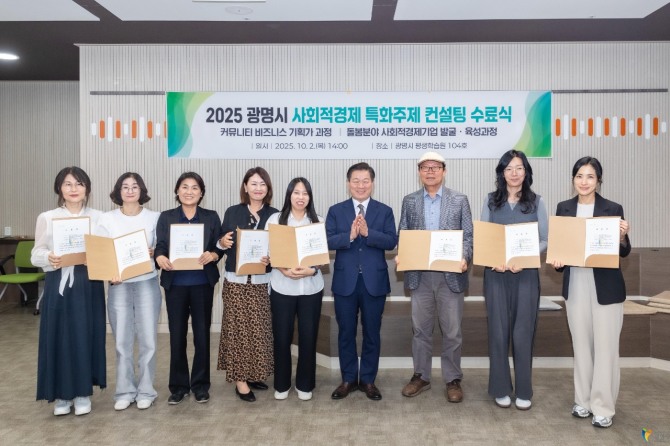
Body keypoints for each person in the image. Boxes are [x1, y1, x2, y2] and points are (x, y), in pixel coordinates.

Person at [550, 157, 630, 428]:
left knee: (606, 348)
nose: (584, 182)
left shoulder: (612, 208)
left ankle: (603, 407)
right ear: (573, 179)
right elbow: (560, 252)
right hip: (576, 283)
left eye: (590, 176)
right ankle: (582, 401)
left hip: (606, 286)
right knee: (581, 346)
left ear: (598, 180)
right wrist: (557, 260)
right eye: (579, 176)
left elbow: (624, 251)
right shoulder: (564, 208)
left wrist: (621, 236)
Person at [396, 152, 473, 403]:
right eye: (425, 167)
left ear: (444, 171)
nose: (430, 171)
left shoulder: (459, 200)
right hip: (419, 276)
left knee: (452, 331)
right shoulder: (409, 201)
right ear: (419, 172)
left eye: (435, 167)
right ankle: (421, 376)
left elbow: (468, 236)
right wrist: (403, 254)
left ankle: (453, 379)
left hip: (450, 275)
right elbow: (403, 234)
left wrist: (464, 257)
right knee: (420, 330)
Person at [32, 166, 106, 416]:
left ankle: (83, 393)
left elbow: (106, 252)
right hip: (58, 282)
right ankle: (62, 396)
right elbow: (36, 253)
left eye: (79, 184)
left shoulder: (99, 217)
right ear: (59, 189)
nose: (74, 189)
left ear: (87, 189)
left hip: (88, 283)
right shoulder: (47, 217)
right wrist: (49, 257)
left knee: (85, 335)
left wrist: (96, 258)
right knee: (59, 336)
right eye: (68, 184)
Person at [481, 149, 548, 411]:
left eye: (519, 168)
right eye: (509, 168)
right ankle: (500, 388)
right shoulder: (490, 200)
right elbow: (485, 238)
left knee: (523, 332)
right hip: (496, 275)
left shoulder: (537, 202)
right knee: (498, 332)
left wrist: (526, 257)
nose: (514, 173)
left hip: (526, 275)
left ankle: (523, 390)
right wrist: (492, 259)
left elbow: (545, 239)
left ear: (526, 171)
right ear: (502, 173)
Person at [326, 162, 397, 401]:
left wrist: (368, 233)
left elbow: (391, 241)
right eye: (355, 181)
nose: (360, 185)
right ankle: (348, 379)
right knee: (345, 332)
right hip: (345, 281)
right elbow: (326, 240)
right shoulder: (336, 210)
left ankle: (368, 380)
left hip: (373, 282)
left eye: (365, 181)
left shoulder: (384, 211)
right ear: (348, 183)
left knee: (372, 333)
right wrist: (349, 235)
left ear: (372, 183)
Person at [155, 172, 223, 405]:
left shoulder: (211, 217)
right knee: (177, 337)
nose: (189, 191)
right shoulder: (167, 217)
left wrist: (214, 254)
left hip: (202, 284)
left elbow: (220, 246)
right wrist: (160, 256)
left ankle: (201, 385)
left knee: (202, 336)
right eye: (184, 187)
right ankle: (178, 386)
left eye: (195, 188)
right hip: (175, 285)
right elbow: (160, 245)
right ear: (177, 191)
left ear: (201, 193)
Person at [95, 172, 161, 411]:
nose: (130, 191)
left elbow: (163, 248)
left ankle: (146, 391)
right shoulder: (106, 219)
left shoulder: (154, 217)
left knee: (148, 341)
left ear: (142, 190)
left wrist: (155, 251)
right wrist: (109, 273)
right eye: (125, 187)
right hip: (119, 285)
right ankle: (124, 391)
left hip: (147, 282)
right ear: (118, 191)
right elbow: (101, 253)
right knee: (122, 341)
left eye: (135, 186)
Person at [217, 167, 277, 402]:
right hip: (236, 281)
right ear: (245, 187)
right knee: (238, 331)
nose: (258, 188)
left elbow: (280, 247)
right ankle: (240, 381)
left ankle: (252, 374)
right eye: (253, 183)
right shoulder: (233, 212)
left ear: (268, 188)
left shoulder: (275, 215)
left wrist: (273, 257)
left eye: (262, 184)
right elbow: (220, 245)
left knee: (259, 331)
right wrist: (222, 242)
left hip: (262, 282)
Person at [265, 178, 325, 402]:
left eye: (305, 193)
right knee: (282, 337)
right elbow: (268, 252)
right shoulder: (275, 220)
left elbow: (321, 256)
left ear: (310, 197)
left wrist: (312, 270)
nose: (301, 197)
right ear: (289, 195)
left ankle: (305, 384)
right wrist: (283, 269)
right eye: (296, 193)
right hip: (282, 287)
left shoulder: (318, 221)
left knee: (309, 337)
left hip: (311, 289)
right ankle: (281, 384)